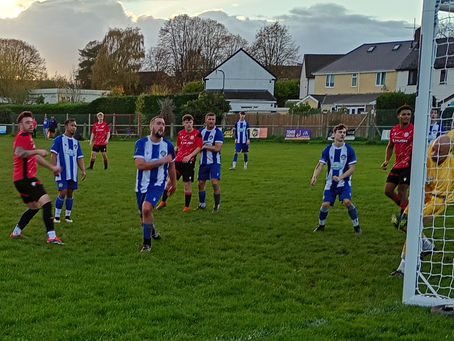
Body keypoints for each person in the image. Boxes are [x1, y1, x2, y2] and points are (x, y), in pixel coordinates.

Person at [391, 135, 454, 276]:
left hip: (439, 200)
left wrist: (416, 215)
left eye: (439, 152)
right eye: (434, 149)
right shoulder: (432, 147)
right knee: (402, 223)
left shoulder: (447, 173)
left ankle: (404, 267)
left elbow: (435, 201)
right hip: (422, 194)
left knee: (413, 224)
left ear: (449, 152)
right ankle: (426, 245)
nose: (433, 154)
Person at [10, 111, 64, 244]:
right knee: (46, 202)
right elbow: (19, 152)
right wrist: (37, 150)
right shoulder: (22, 135)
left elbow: (35, 157)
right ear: (20, 125)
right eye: (27, 122)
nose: (30, 125)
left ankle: (16, 232)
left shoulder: (27, 137)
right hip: (26, 178)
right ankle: (51, 237)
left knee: (34, 207)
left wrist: (52, 167)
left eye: (31, 122)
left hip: (19, 180)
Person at [134, 116, 177, 252]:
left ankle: (147, 244)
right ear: (151, 126)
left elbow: (171, 166)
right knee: (143, 218)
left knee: (147, 208)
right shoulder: (141, 143)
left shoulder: (168, 145)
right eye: (158, 124)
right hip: (141, 184)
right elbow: (140, 165)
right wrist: (161, 161)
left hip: (158, 184)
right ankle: (152, 231)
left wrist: (173, 184)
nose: (161, 127)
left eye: (163, 124)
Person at [311, 123, 362, 234]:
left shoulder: (349, 150)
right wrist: (314, 176)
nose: (342, 134)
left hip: (344, 182)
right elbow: (320, 165)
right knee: (325, 205)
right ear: (334, 134)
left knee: (347, 202)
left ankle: (356, 226)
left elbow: (352, 169)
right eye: (340, 132)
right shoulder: (327, 149)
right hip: (330, 183)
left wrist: (340, 177)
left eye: (344, 132)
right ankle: (321, 225)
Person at [156, 114, 202, 212]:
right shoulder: (180, 133)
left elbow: (199, 147)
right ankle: (163, 202)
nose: (189, 124)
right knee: (169, 182)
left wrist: (190, 156)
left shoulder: (197, 133)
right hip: (177, 162)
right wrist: (174, 150)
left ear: (192, 123)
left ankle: (186, 207)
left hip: (189, 163)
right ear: (183, 123)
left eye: (190, 122)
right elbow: (178, 146)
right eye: (187, 122)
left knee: (187, 185)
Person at [50, 118, 86, 223]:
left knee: (70, 193)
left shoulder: (76, 142)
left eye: (75, 126)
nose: (74, 128)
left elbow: (79, 157)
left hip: (72, 172)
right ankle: (56, 216)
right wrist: (54, 167)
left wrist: (83, 170)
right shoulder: (58, 139)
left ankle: (67, 216)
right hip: (62, 172)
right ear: (66, 127)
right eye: (72, 125)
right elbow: (53, 154)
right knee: (63, 192)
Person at [381, 105, 414, 216]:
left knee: (402, 189)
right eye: (403, 114)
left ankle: (404, 216)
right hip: (397, 164)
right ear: (398, 116)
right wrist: (386, 160)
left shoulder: (414, 130)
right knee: (388, 190)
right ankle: (405, 207)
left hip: (409, 164)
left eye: (408, 114)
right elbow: (390, 146)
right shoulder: (394, 130)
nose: (406, 117)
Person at [197, 112, 224, 212]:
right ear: (206, 120)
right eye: (209, 119)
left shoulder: (218, 132)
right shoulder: (201, 131)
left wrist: (205, 146)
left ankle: (216, 205)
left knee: (214, 182)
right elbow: (196, 144)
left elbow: (217, 148)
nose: (211, 121)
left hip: (214, 162)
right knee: (200, 183)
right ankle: (202, 204)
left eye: (213, 119)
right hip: (203, 162)